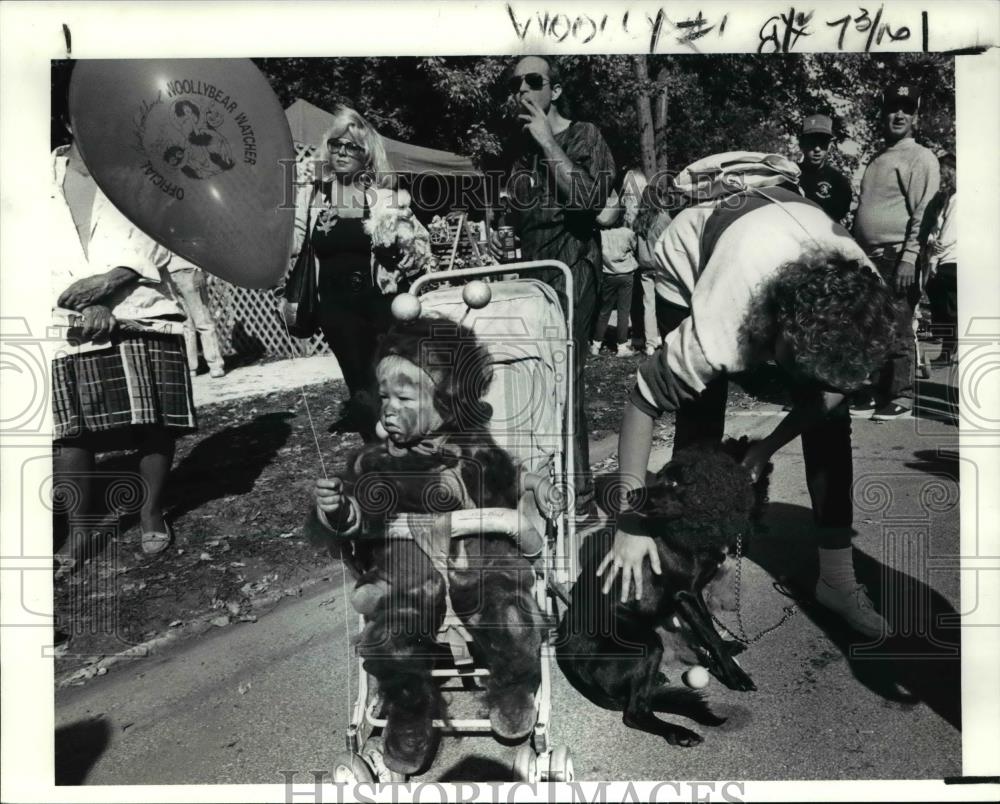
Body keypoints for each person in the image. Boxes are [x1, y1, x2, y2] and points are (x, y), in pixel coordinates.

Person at [598, 177, 899, 639]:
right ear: (776, 332)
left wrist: (767, 446)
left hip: (779, 233)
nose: (797, 385)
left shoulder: (868, 301)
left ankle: (837, 581)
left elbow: (831, 393)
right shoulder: (722, 327)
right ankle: (687, 573)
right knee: (700, 418)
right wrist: (631, 520)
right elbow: (642, 400)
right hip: (694, 252)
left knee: (832, 426)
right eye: (793, 368)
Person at [307, 316, 544, 774]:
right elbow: (358, 512)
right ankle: (410, 710)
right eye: (384, 398)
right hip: (406, 568)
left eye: (404, 397)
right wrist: (338, 510)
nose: (388, 409)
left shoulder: (474, 451)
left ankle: (513, 683)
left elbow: (508, 484)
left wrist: (534, 487)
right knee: (393, 629)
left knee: (508, 609)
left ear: (448, 404)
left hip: (478, 558)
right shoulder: (374, 462)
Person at [51, 129, 195, 562]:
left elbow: (159, 233)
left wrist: (110, 285)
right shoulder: (31, 179)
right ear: (73, 121)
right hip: (63, 314)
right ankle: (80, 531)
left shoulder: (146, 172)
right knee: (69, 432)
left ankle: (151, 514)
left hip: (140, 306)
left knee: (154, 418)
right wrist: (80, 306)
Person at [491, 55, 616, 515]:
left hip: (574, 268)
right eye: (515, 83)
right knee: (529, 382)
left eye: (534, 80)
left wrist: (548, 143)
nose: (523, 89)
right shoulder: (514, 150)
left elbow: (589, 199)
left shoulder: (585, 134)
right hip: (529, 276)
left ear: (555, 90)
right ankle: (541, 491)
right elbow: (515, 219)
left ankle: (580, 497)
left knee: (566, 380)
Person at [289, 104, 431, 439]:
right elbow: (293, 244)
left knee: (389, 381)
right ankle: (380, 454)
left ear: (366, 156)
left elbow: (421, 249)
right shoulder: (312, 196)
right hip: (335, 310)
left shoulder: (383, 197)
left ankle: (411, 447)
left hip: (379, 305)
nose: (342, 152)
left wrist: (399, 247)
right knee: (360, 387)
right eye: (336, 144)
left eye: (352, 146)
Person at [851, 83, 940, 420]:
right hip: (869, 257)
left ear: (916, 118)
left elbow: (923, 213)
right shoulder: (878, 158)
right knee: (874, 327)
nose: (899, 114)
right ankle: (877, 391)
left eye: (907, 109)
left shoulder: (920, 157)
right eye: (892, 108)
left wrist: (908, 257)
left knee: (898, 325)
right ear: (882, 115)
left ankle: (901, 395)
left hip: (895, 255)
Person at [591, 185, 639, 357]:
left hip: (608, 275)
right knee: (623, 311)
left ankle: (596, 344)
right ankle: (621, 346)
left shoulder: (601, 235)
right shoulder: (627, 233)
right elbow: (634, 249)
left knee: (604, 310)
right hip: (626, 275)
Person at [632, 178, 675, 356]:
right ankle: (668, 338)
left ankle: (650, 343)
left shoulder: (639, 220)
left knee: (648, 305)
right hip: (661, 265)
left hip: (644, 266)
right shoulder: (663, 219)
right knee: (666, 301)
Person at [922, 152, 957, 367]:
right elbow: (936, 229)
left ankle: (947, 353)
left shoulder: (958, 199)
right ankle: (947, 350)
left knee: (951, 308)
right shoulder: (946, 199)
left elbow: (949, 235)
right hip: (943, 256)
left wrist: (934, 260)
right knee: (943, 304)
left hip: (950, 259)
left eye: (944, 173)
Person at [167, 253, 226, 378]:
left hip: (187, 271)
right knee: (187, 324)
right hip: (171, 274)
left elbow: (194, 245)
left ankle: (213, 365)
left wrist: (199, 270)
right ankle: (193, 367)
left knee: (202, 321)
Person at [797, 113, 853, 224]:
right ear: (801, 144)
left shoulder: (839, 182)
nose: (817, 149)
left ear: (829, 145)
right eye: (812, 142)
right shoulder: (789, 175)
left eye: (822, 142)